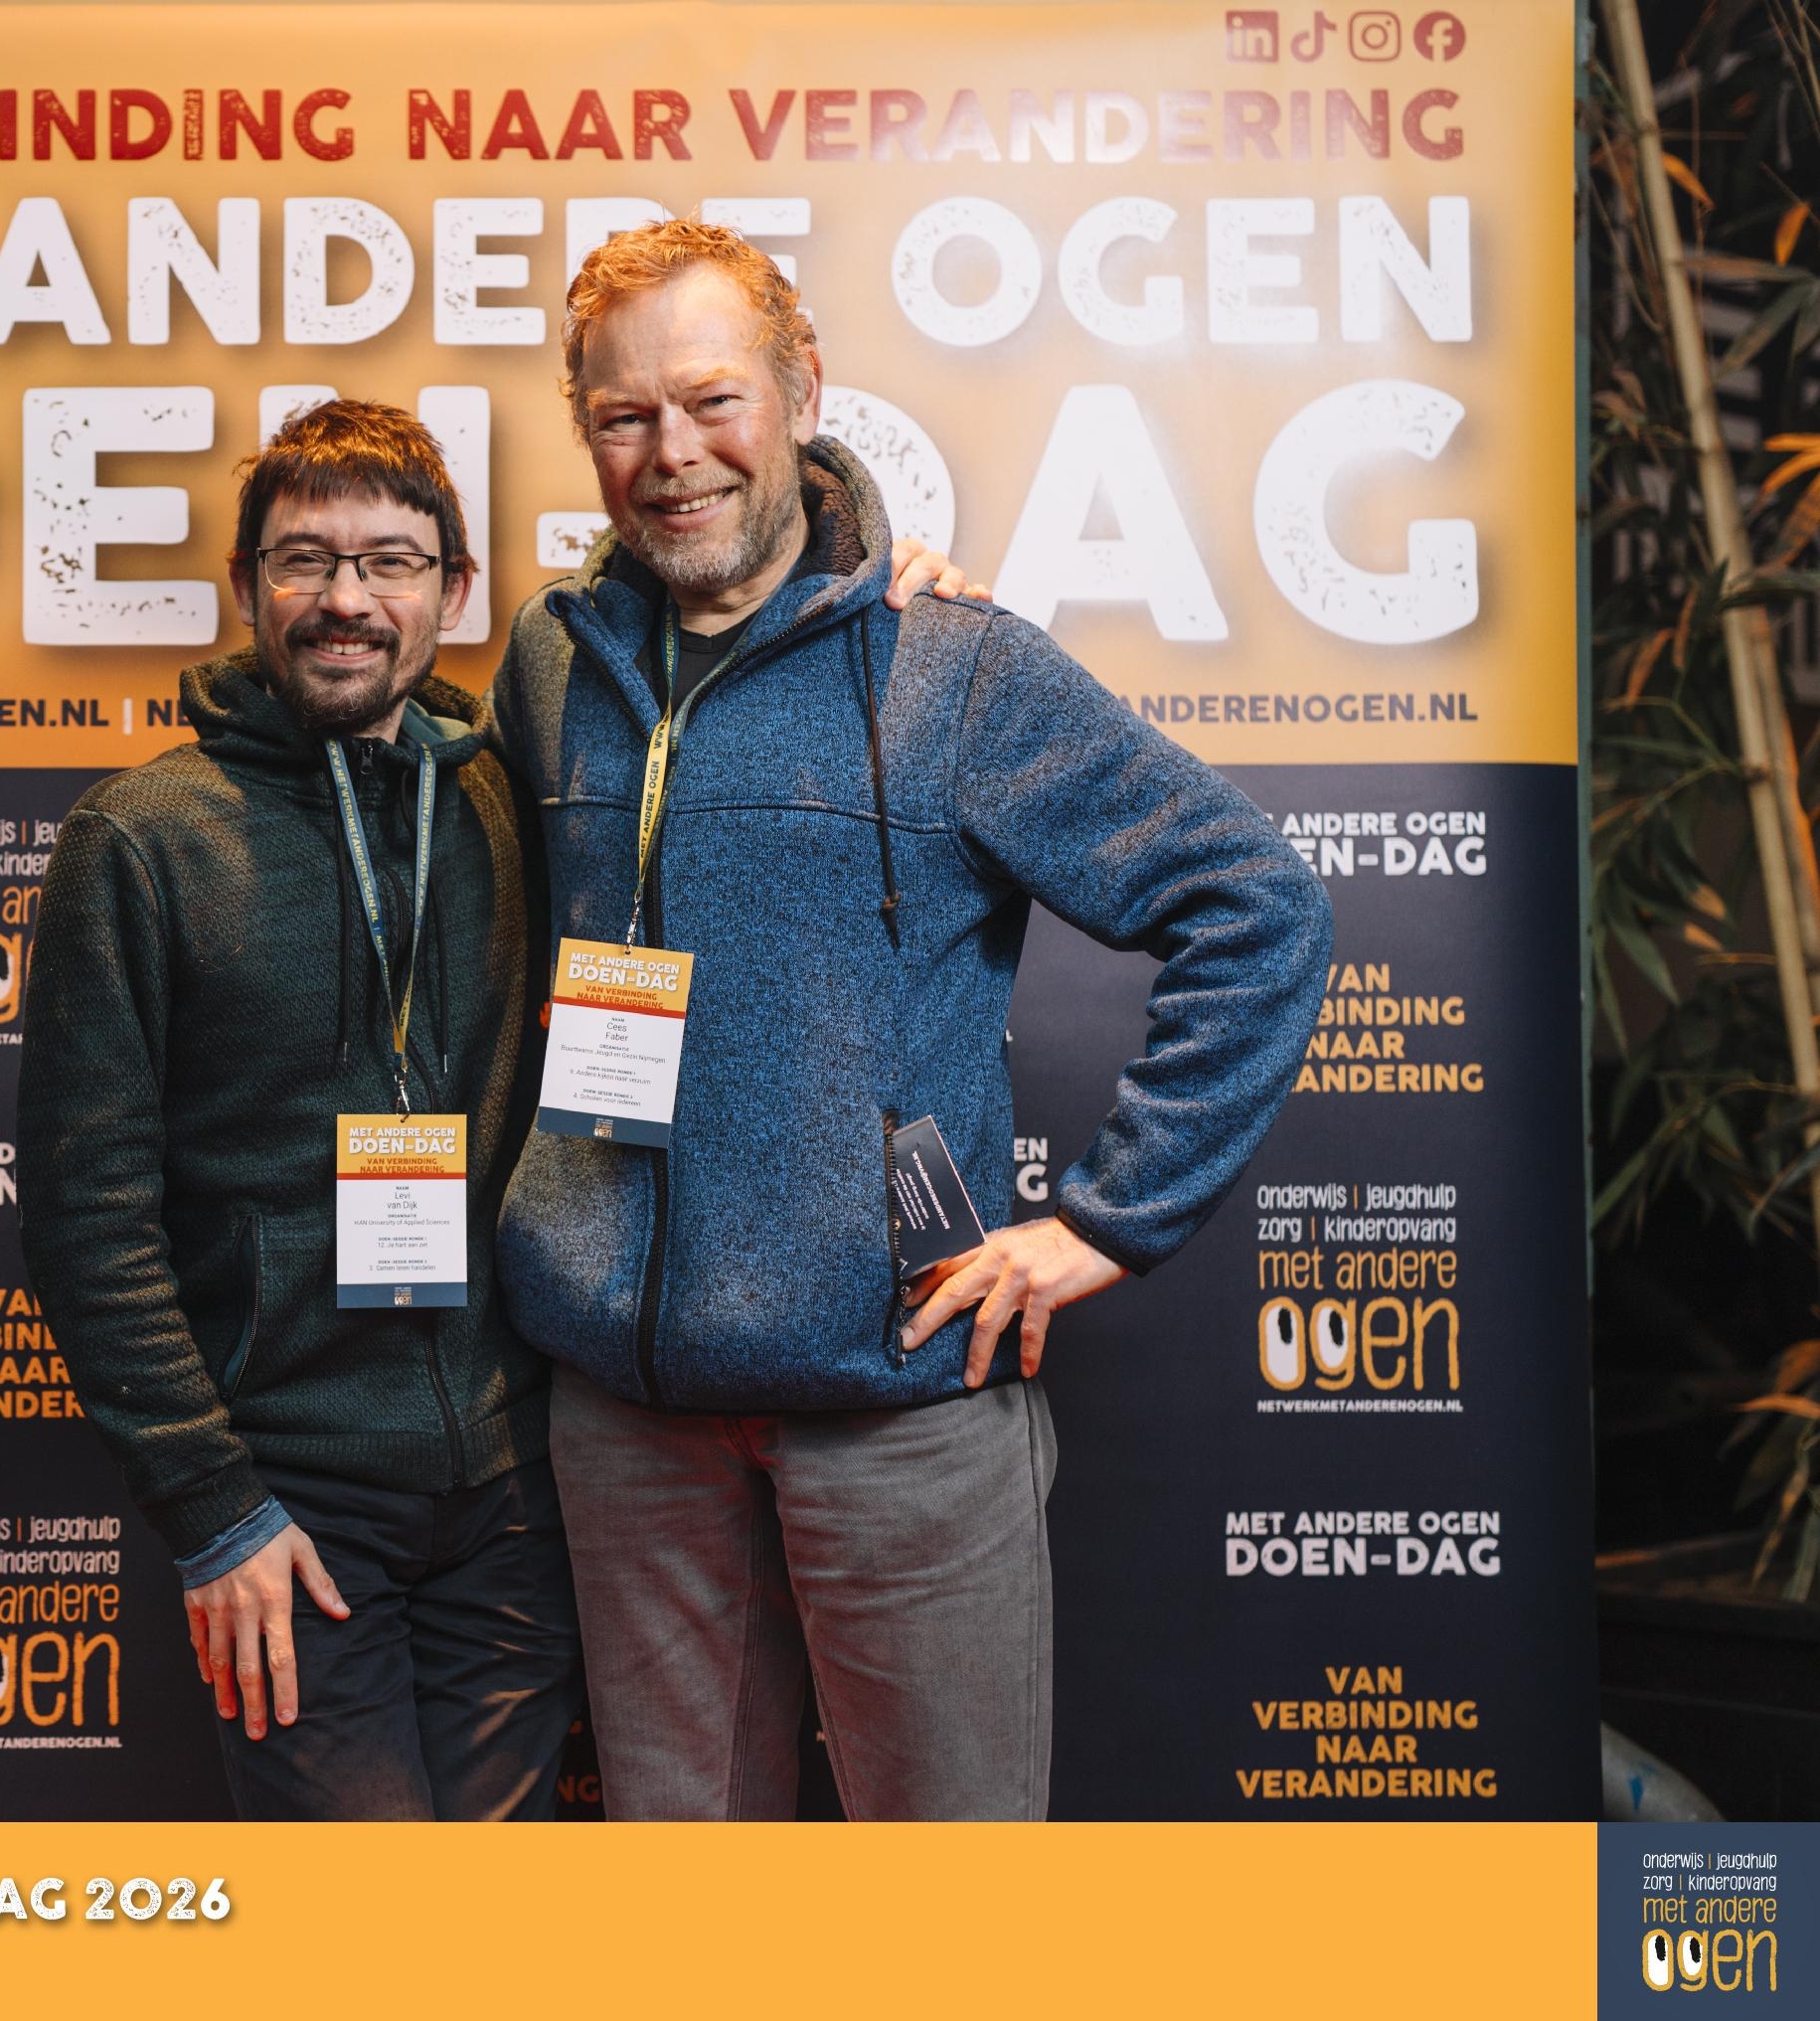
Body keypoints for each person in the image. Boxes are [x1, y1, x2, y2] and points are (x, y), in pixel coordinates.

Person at [18, 398, 976, 1818]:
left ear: (454, 589)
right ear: (246, 584)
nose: (347, 600)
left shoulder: (506, 795)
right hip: (293, 1501)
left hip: (518, 1493)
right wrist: (213, 1510)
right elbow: (85, 1216)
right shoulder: (140, 840)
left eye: (391, 562)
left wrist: (875, 578)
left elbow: (713, 651)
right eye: (303, 559)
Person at [490, 220, 1337, 1820]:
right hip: (625, 1419)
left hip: (898, 1403)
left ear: (802, 391)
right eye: (622, 415)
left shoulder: (952, 667)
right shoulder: (550, 662)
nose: (671, 453)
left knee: (946, 1902)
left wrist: (1105, 1222)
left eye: (712, 399)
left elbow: (1259, 908)